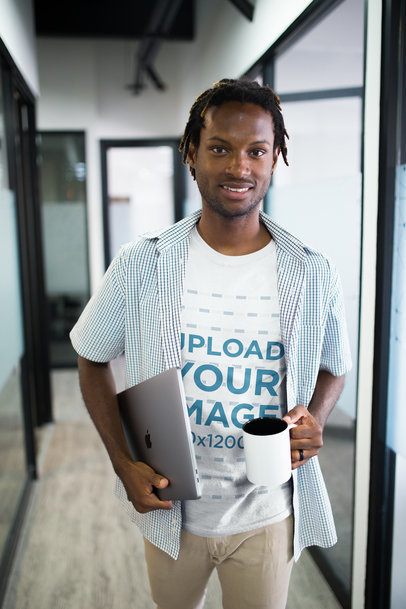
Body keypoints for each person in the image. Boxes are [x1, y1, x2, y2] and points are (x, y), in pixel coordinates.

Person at [70, 78, 352, 609]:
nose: (238, 167)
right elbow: (91, 356)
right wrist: (122, 462)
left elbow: (336, 367)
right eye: (220, 148)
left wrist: (313, 416)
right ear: (191, 154)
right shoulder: (142, 264)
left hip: (267, 511)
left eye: (256, 151)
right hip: (172, 507)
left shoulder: (311, 272)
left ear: (274, 159)